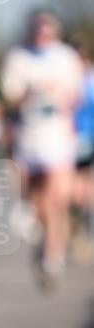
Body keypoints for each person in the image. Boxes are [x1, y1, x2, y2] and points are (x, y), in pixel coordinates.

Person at [0, 10, 83, 290]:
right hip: (28, 137)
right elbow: (8, 95)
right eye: (38, 30)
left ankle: (52, 257)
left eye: (48, 31)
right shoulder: (17, 57)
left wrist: (60, 96)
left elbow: (77, 95)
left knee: (55, 198)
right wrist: (30, 93)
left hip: (58, 138)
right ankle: (46, 241)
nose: (42, 35)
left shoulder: (66, 57)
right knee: (37, 201)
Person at [68, 34, 94, 264]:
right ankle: (75, 230)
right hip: (66, 139)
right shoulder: (63, 77)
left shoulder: (90, 80)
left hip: (87, 137)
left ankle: (82, 230)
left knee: (83, 188)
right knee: (73, 189)